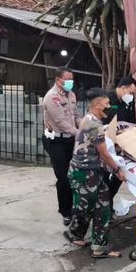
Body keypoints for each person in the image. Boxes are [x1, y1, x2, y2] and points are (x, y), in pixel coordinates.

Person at [64, 88, 126, 258]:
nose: (110, 107)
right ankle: (76, 234)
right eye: (107, 104)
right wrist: (118, 169)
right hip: (84, 172)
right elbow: (104, 153)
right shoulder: (93, 124)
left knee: (103, 206)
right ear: (98, 105)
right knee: (85, 208)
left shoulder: (92, 120)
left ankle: (98, 246)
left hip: (92, 171)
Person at [42, 68, 80, 226]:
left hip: (70, 140)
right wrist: (79, 133)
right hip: (55, 140)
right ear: (58, 80)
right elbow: (60, 122)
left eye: (72, 78)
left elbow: (75, 116)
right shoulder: (51, 97)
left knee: (73, 174)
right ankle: (65, 212)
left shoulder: (71, 95)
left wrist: (86, 127)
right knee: (63, 177)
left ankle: (73, 206)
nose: (71, 81)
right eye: (68, 79)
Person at [103, 76, 136, 206]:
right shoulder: (106, 99)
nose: (132, 96)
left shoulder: (128, 101)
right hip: (105, 144)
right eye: (131, 92)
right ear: (123, 88)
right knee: (105, 176)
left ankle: (108, 201)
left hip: (122, 143)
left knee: (121, 173)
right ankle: (104, 206)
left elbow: (131, 121)